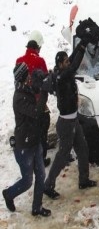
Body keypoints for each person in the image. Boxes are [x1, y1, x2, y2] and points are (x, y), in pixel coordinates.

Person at [44, 20, 98, 200]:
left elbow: (73, 58)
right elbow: (74, 65)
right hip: (66, 123)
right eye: (65, 61)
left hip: (73, 120)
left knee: (83, 149)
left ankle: (84, 180)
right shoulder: (61, 76)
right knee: (62, 156)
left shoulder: (64, 72)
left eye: (67, 60)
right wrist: (83, 44)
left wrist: (81, 42)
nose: (68, 63)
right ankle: (48, 185)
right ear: (59, 65)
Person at [2, 62, 51, 217]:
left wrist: (47, 77)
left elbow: (37, 86)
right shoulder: (19, 98)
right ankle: (8, 194)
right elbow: (36, 112)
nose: (30, 76)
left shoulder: (26, 89)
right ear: (23, 78)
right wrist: (44, 90)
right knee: (27, 181)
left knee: (41, 175)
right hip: (24, 146)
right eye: (28, 74)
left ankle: (37, 207)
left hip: (34, 141)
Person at [16, 30, 51, 167]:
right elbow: (46, 79)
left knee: (30, 131)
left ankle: (32, 157)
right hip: (38, 102)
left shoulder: (19, 61)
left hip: (24, 103)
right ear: (37, 47)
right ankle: (41, 159)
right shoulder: (39, 60)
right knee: (42, 129)